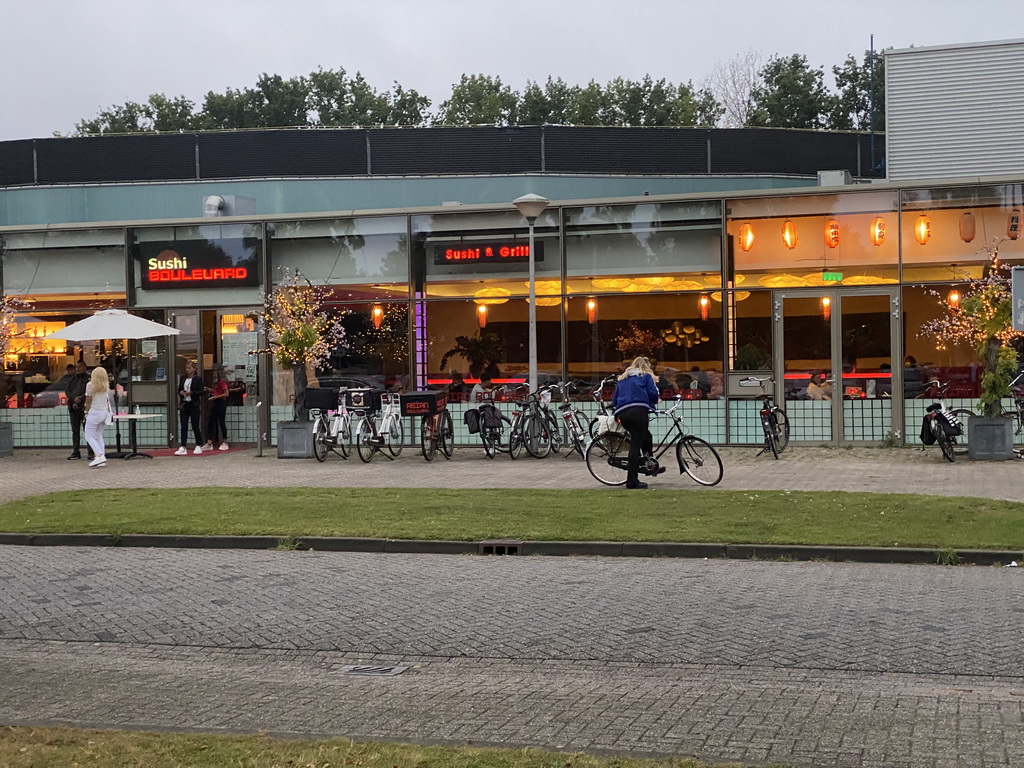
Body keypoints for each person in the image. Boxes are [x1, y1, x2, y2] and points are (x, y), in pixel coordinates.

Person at [611, 356, 664, 490]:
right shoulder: (645, 377)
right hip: (638, 412)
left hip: (623, 413)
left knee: (646, 436)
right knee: (635, 445)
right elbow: (653, 393)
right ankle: (632, 481)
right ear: (647, 367)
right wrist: (654, 402)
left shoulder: (623, 379)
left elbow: (615, 399)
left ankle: (649, 464)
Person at [82, 365, 113, 468]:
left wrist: (86, 411)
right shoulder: (105, 386)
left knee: (88, 435)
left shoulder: (90, 385)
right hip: (104, 412)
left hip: (94, 412)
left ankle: (99, 455)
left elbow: (88, 400)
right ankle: (101, 456)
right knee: (98, 435)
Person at [65, 361, 93, 461]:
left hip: (85, 408)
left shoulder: (89, 379)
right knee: (75, 431)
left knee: (88, 431)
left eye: (80, 367)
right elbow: (67, 391)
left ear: (85, 367)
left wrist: (80, 399)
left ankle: (91, 452)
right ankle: (76, 451)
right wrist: (74, 399)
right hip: (74, 408)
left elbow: (90, 393)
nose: (78, 369)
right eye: (76, 367)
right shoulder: (72, 379)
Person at [176, 361, 205, 455]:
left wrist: (191, 393)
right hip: (185, 403)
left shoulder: (198, 379)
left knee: (195, 424)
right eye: (186, 368)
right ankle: (183, 446)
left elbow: (201, 391)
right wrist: (181, 392)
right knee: (184, 425)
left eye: (189, 368)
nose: (187, 370)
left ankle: (198, 444)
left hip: (194, 403)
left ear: (194, 369)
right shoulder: (183, 378)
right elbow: (179, 389)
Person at [203, 368, 230, 451]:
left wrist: (215, 397)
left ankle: (224, 441)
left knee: (221, 421)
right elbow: (216, 391)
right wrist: (208, 389)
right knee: (211, 422)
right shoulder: (216, 383)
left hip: (221, 402)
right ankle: (209, 442)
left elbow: (226, 393)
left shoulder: (221, 382)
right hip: (215, 401)